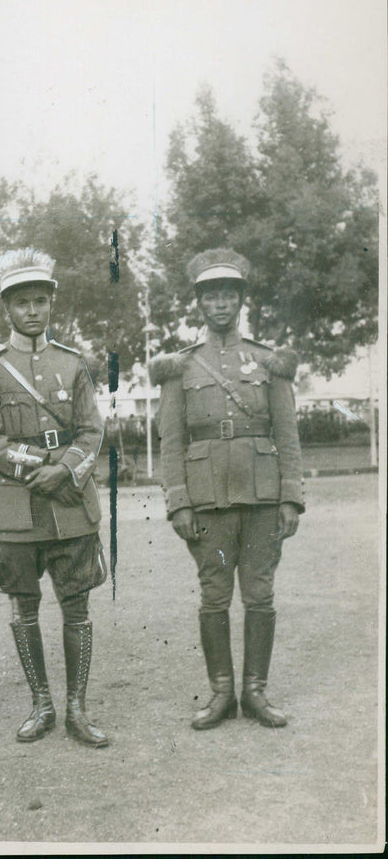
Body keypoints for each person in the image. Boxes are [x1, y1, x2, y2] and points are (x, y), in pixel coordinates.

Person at [0, 247, 108, 748]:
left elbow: (92, 430)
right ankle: (41, 704)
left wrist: (64, 468)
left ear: (51, 304)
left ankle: (77, 709)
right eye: (22, 303)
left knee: (77, 607)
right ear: (7, 308)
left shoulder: (73, 364)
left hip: (69, 503)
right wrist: (39, 465)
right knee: (24, 607)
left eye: (41, 301)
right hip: (15, 506)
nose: (33, 310)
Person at [149, 248, 303, 730]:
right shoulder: (180, 366)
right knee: (214, 596)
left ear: (240, 300)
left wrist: (291, 496)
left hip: (262, 498)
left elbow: (287, 433)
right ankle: (221, 694)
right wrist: (178, 502)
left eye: (228, 295)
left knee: (259, 595)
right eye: (211, 296)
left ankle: (255, 692)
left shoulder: (268, 360)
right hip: (207, 501)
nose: (219, 304)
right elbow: (171, 440)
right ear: (199, 303)